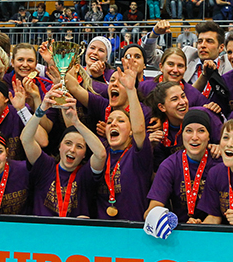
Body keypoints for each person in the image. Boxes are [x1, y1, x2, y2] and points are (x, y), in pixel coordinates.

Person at [22, 87, 106, 217]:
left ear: (85, 154)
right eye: (68, 143)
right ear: (59, 147)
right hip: (43, 228)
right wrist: (41, 109)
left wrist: (76, 122)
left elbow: (101, 154)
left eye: (79, 146)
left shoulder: (85, 174)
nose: (72, 149)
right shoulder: (45, 166)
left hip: (73, 229)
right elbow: (26, 139)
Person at [97, 59, 153, 221]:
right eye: (109, 122)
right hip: (101, 231)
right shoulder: (100, 155)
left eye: (121, 121)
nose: (113, 123)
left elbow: (139, 130)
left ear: (130, 131)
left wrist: (130, 89)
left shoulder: (139, 156)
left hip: (133, 230)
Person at [145, 109, 221, 224]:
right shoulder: (170, 165)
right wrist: (154, 216)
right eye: (189, 131)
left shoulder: (218, 164)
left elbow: (216, 216)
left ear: (209, 136)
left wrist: (200, 228)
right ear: (182, 135)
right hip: (178, 229)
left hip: (212, 230)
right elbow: (155, 206)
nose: (194, 137)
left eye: (201, 131)